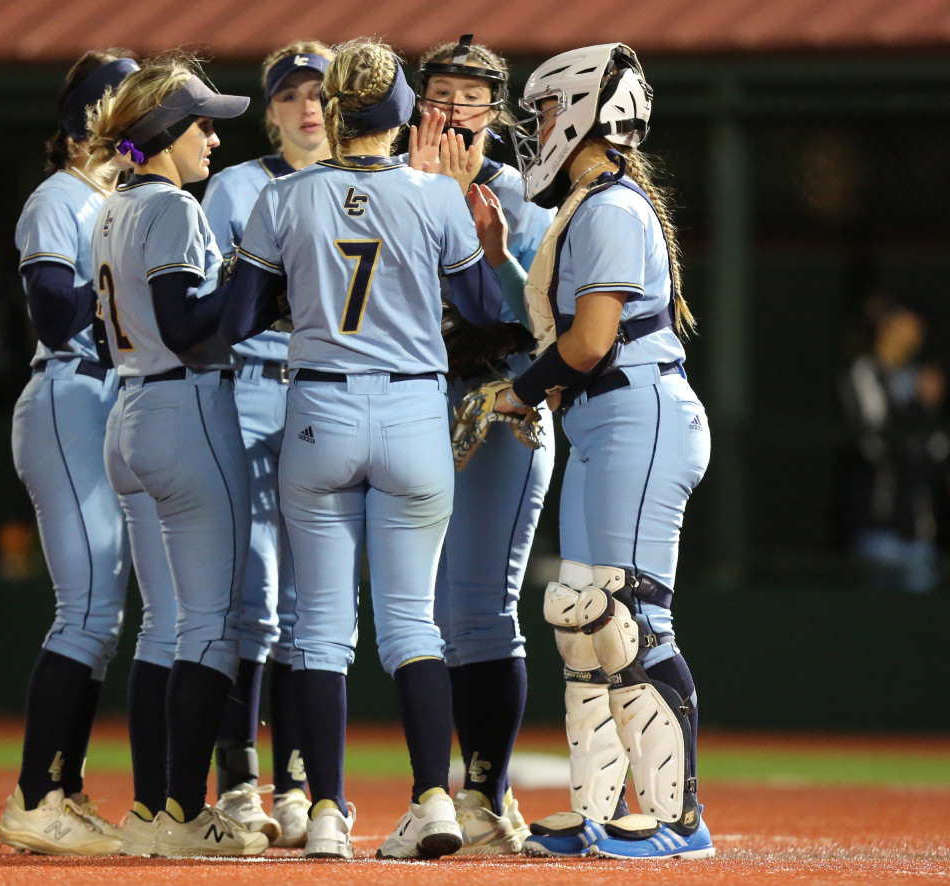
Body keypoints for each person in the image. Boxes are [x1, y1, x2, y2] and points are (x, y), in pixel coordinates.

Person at [219, 37, 505, 860]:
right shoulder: (436, 195)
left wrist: (292, 302)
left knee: (320, 631)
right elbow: (485, 310)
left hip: (319, 409)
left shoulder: (288, 195)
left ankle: (330, 813)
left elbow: (239, 319)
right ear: (404, 113)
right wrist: (460, 210)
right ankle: (431, 801)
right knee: (413, 622)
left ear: (336, 111)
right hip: (415, 405)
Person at [487, 44, 715, 859]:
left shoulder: (613, 208)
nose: (540, 127)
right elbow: (569, 335)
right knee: (585, 622)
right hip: (607, 422)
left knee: (633, 620)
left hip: (638, 417)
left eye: (547, 112)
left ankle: (678, 818)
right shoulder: (589, 206)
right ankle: (604, 811)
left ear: (584, 110)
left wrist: (511, 392)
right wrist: (496, 255)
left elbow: (588, 343)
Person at [85, 53, 268, 858]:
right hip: (184, 407)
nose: (213, 141)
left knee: (164, 626)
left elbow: (111, 326)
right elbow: (191, 324)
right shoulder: (172, 211)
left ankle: (154, 806)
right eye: (200, 124)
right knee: (211, 624)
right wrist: (260, 282)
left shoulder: (110, 209)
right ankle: (181, 815)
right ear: (162, 132)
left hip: (129, 408)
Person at [409, 35, 555, 856]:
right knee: (425, 615)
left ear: (495, 112)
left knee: (479, 608)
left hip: (500, 402)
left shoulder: (523, 197)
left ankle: (486, 797)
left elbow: (541, 332)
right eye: (441, 94)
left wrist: (487, 245)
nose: (454, 110)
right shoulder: (395, 185)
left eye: (471, 96)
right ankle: (450, 794)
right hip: (413, 404)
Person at [0, 49, 141, 857]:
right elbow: (55, 313)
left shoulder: (124, 200)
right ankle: (34, 794)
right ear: (92, 117)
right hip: (69, 394)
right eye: (124, 102)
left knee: (101, 613)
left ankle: (61, 783)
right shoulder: (60, 196)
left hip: (104, 401)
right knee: (85, 608)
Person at [200, 39, 334, 848]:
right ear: (272, 108)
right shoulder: (236, 186)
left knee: (310, 599)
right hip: (251, 383)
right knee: (253, 591)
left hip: (325, 392)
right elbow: (219, 301)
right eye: (290, 95)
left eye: (319, 93)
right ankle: (239, 780)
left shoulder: (361, 185)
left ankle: (297, 781)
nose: (308, 107)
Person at [838, 298, 946, 593]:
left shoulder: (923, 378)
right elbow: (875, 443)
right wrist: (920, 405)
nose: (912, 334)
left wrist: (927, 406)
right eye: (906, 325)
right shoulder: (863, 373)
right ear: (886, 327)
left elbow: (936, 452)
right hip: (877, 530)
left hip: (920, 533)